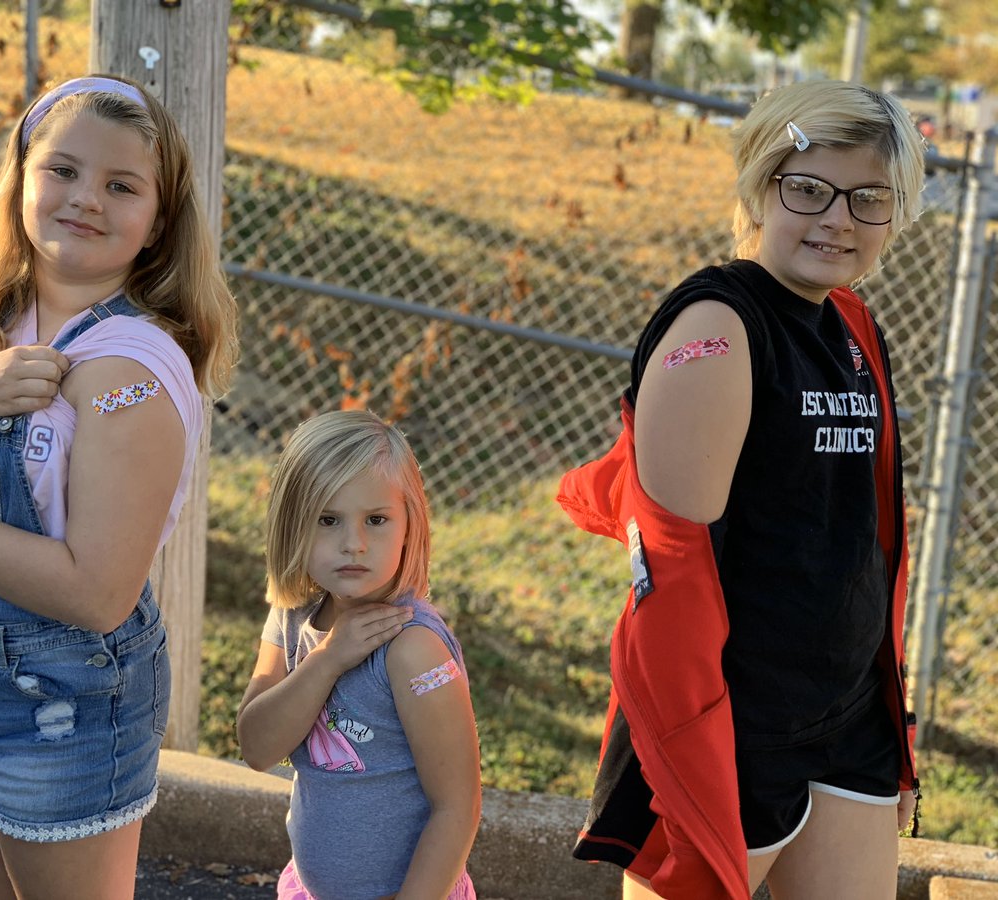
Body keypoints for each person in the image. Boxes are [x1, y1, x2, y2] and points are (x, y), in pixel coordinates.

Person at [0, 74, 238, 899]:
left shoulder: (130, 366)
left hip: (67, 701)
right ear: (21, 176)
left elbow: (95, 593)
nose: (86, 198)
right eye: (62, 169)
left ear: (158, 220)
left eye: (122, 185)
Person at [556, 81, 925, 899]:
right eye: (808, 189)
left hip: (845, 720)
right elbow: (671, 577)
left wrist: (890, 722)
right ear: (761, 187)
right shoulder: (717, 329)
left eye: (867, 198)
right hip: (732, 731)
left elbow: (872, 542)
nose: (837, 220)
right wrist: (686, 759)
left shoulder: (854, 326)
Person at [237, 410, 481, 900]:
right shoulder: (292, 617)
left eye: (376, 519)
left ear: (409, 525)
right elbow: (257, 747)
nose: (354, 544)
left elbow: (457, 807)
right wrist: (328, 658)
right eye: (328, 520)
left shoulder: (413, 649)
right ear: (293, 525)